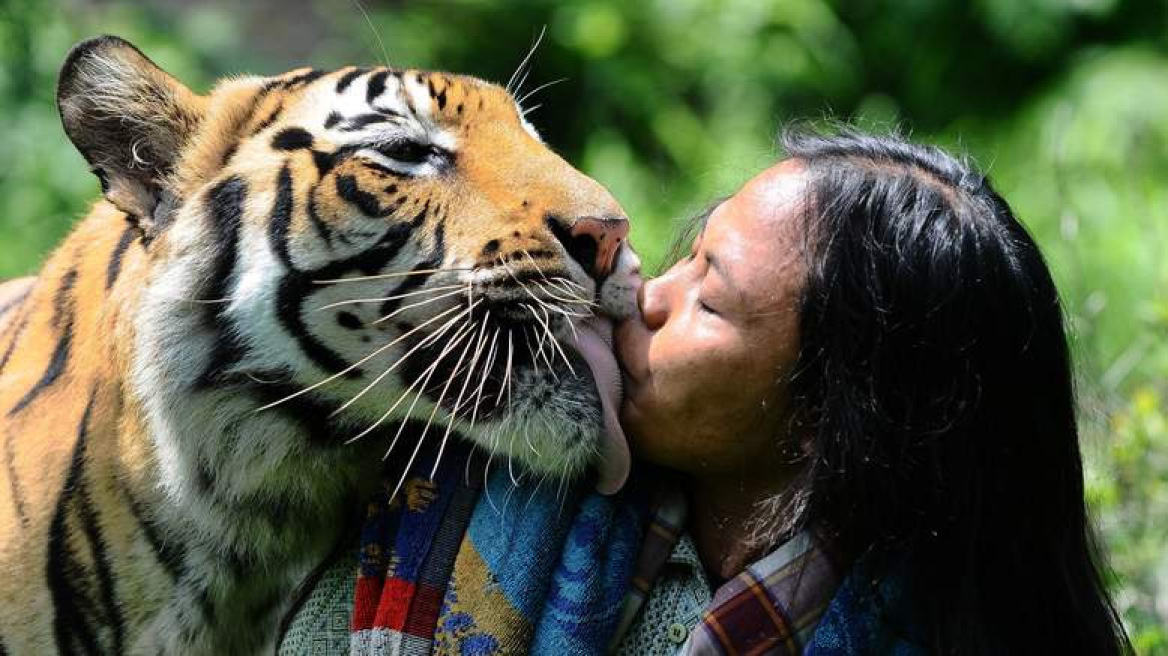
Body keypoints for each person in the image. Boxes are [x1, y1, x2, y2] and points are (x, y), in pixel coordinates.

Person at [608, 127, 1133, 655]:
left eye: (711, 302)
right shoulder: (566, 513)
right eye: (692, 256)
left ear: (832, 416)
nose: (648, 296)